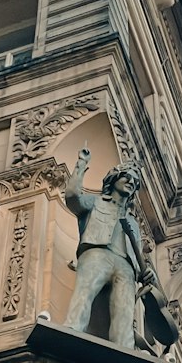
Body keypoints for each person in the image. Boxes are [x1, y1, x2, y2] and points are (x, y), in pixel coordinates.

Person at [62, 148, 156, 349]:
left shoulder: (133, 223)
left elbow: (138, 258)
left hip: (125, 267)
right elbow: (72, 197)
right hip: (97, 254)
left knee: (124, 311)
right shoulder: (94, 202)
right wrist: (81, 164)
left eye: (134, 181)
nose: (130, 182)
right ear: (113, 180)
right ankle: (72, 330)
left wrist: (146, 274)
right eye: (126, 177)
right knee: (84, 293)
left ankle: (125, 349)